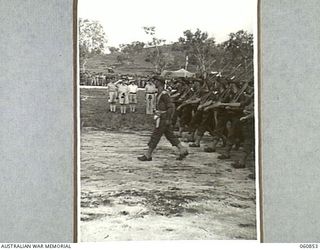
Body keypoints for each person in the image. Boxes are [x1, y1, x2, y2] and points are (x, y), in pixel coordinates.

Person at [138, 77, 188, 161]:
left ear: (159, 82)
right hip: (161, 117)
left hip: (163, 118)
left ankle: (148, 155)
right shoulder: (160, 93)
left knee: (156, 135)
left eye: (156, 81)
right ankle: (182, 149)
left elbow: (170, 107)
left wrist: (168, 119)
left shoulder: (164, 94)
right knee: (170, 135)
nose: (154, 83)